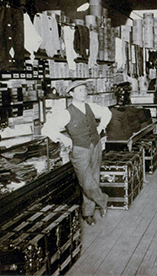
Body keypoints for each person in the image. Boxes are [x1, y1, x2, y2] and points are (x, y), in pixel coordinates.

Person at [42, 80, 112, 226]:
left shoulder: (91, 106)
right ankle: (103, 200)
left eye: (85, 89)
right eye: (80, 90)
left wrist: (100, 128)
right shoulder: (66, 113)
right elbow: (47, 128)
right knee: (86, 182)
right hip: (79, 149)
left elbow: (107, 113)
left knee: (94, 178)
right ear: (71, 94)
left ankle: (88, 213)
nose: (84, 92)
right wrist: (64, 139)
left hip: (96, 145)